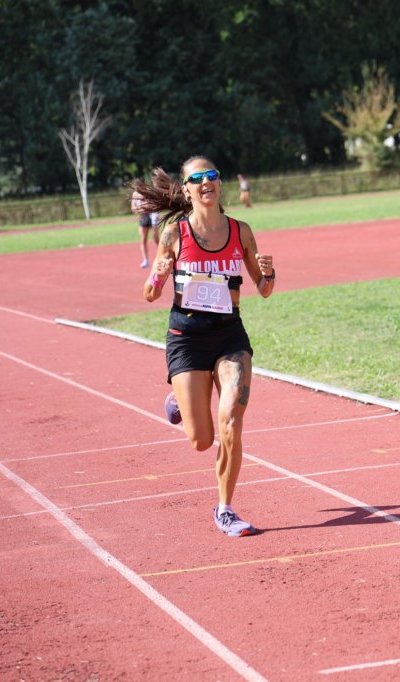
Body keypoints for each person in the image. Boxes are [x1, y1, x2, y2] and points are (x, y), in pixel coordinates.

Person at [132, 157, 277, 537]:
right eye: (196, 178)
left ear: (219, 183)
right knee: (202, 440)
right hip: (188, 338)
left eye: (211, 175)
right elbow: (150, 294)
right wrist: (158, 277)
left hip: (230, 335)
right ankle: (180, 400)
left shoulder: (241, 231)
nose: (205, 182)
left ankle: (225, 509)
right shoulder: (174, 234)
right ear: (186, 189)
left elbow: (264, 289)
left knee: (232, 420)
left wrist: (269, 272)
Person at [131, 190, 159, 268]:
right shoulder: (135, 194)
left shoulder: (148, 190)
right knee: (143, 239)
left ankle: (162, 256)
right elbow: (133, 208)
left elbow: (154, 204)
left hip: (153, 215)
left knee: (156, 238)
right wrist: (139, 209)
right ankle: (145, 260)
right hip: (143, 216)